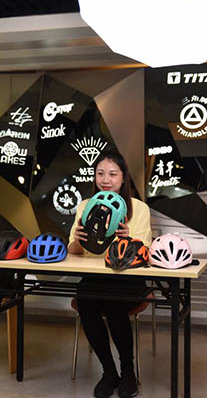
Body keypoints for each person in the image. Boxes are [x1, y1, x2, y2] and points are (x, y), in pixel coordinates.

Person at [69, 149, 152, 398]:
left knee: (114, 303)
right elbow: (73, 251)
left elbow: (146, 253)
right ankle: (109, 371)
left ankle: (128, 371)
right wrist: (78, 241)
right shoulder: (85, 206)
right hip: (95, 278)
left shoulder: (139, 208)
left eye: (113, 174)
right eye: (100, 173)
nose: (106, 180)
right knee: (86, 302)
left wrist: (129, 239)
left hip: (129, 278)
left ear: (124, 177)